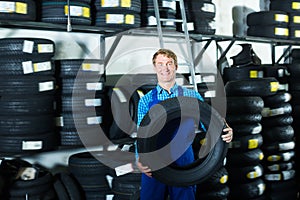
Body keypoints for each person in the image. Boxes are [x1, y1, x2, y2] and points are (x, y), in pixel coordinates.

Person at [136, 48, 233, 200]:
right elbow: (141, 135)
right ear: (155, 67)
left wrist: (225, 129)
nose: (165, 68)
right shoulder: (146, 100)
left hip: (183, 160)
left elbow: (208, 122)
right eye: (160, 64)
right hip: (153, 160)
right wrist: (139, 159)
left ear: (176, 67)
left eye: (169, 63)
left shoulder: (191, 95)